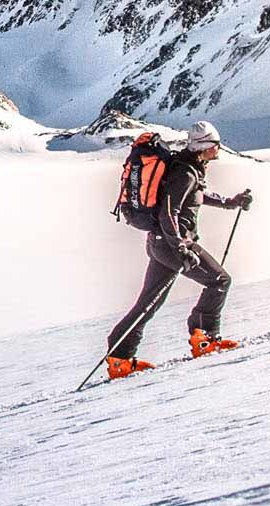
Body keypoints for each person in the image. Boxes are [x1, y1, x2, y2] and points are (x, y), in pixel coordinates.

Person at [103, 120, 253, 379]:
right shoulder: (185, 172)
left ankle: (120, 358)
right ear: (204, 147)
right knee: (219, 281)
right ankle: (204, 338)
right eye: (215, 144)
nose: (218, 148)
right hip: (173, 244)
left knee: (148, 303)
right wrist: (182, 247)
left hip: (161, 244)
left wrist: (231, 202)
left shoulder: (189, 169)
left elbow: (196, 195)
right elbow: (168, 212)